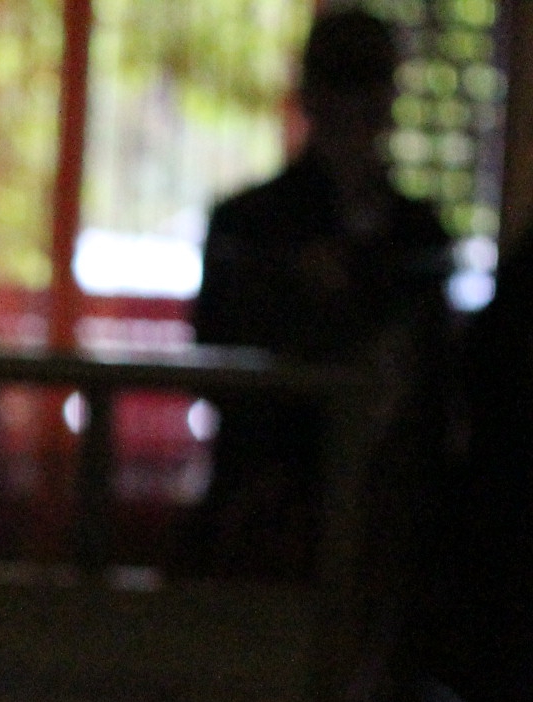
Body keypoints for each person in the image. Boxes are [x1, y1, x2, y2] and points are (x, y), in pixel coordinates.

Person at [189, 5, 450, 581]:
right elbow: (218, 364)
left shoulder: (420, 237)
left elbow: (435, 381)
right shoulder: (249, 227)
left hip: (389, 524)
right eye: (342, 85)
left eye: (366, 86)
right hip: (266, 513)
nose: (353, 109)